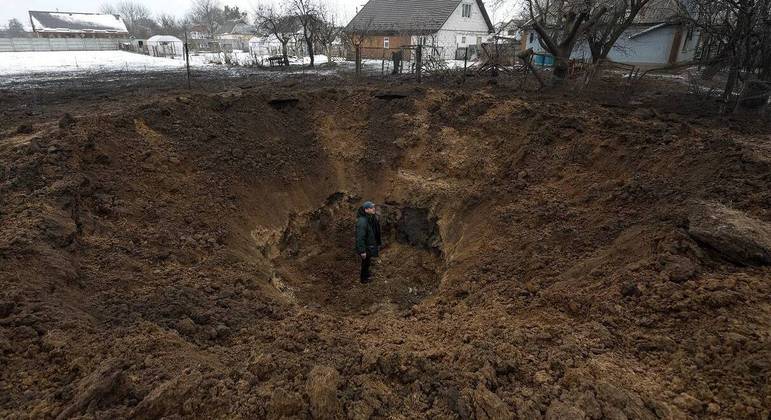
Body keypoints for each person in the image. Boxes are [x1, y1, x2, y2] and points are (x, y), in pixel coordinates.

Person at [355, 201, 382, 284]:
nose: (374, 209)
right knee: (365, 263)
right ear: (366, 210)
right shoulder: (362, 221)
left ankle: (366, 275)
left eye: (373, 207)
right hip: (366, 247)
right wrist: (362, 251)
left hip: (369, 245)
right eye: (371, 207)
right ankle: (363, 279)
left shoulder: (369, 218)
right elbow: (360, 237)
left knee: (367, 261)